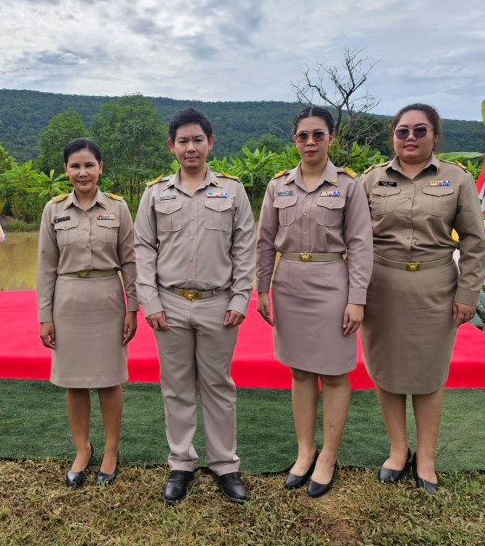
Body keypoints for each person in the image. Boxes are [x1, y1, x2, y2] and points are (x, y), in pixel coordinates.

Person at [359, 103, 485, 495]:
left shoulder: (456, 178)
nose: (410, 138)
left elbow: (474, 241)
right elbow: (354, 238)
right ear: (393, 137)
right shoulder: (371, 179)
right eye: (402, 131)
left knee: (429, 376)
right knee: (386, 371)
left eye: (420, 130)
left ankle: (426, 457)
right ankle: (399, 450)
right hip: (381, 288)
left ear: (435, 135)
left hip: (435, 288)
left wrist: (468, 292)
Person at [134, 108, 256, 504]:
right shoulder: (155, 193)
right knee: (177, 386)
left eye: (197, 140)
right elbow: (143, 249)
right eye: (183, 141)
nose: (191, 147)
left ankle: (225, 465)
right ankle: (181, 463)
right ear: (172, 146)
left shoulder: (232, 191)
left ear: (210, 143)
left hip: (218, 304)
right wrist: (150, 301)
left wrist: (241, 297)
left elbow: (245, 247)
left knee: (219, 385)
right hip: (169, 304)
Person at [256, 106, 373, 498]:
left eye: (318, 134)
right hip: (289, 282)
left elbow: (360, 244)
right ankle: (305, 450)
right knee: (301, 371)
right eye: (303, 135)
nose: (310, 142)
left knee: (335, 372)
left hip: (332, 281)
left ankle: (328, 455)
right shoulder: (278, 185)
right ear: (295, 140)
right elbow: (264, 240)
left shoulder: (348, 185)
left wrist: (357, 298)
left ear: (330, 138)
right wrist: (261, 288)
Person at [37, 138, 138, 487]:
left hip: (108, 299)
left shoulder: (117, 208)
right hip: (67, 301)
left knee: (109, 380)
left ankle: (111, 450)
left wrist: (133, 307)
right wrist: (45, 316)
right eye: (75, 166)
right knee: (74, 381)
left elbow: (130, 261)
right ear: (66, 170)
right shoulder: (53, 210)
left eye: (89, 165)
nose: (83, 172)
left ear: (100, 168)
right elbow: (46, 266)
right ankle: (82, 449)